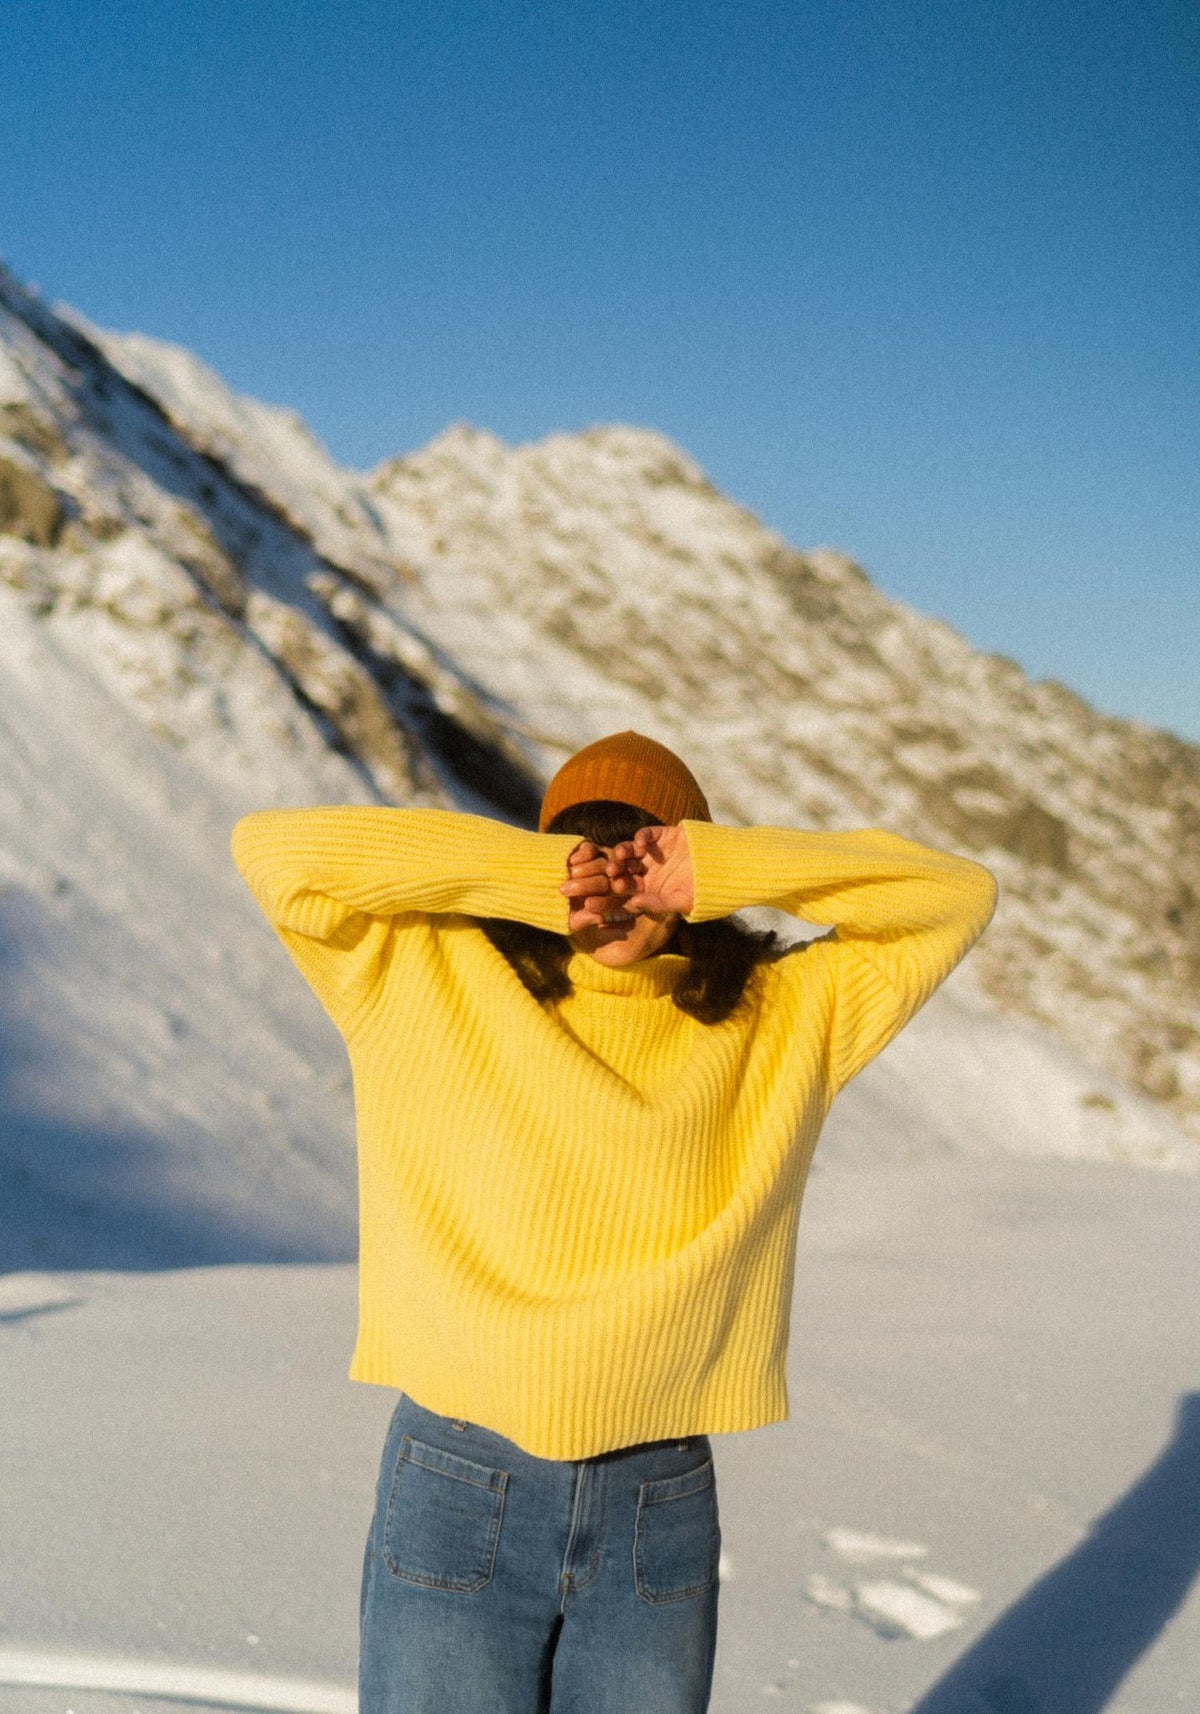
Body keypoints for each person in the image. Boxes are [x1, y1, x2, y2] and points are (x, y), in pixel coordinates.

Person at [230, 729, 998, 1714]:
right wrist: (528, 876)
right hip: (462, 1473)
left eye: (644, 849)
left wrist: (720, 870)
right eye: (587, 845)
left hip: (656, 1493)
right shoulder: (425, 975)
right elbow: (273, 851)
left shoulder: (783, 1015)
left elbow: (954, 896)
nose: (617, 879)